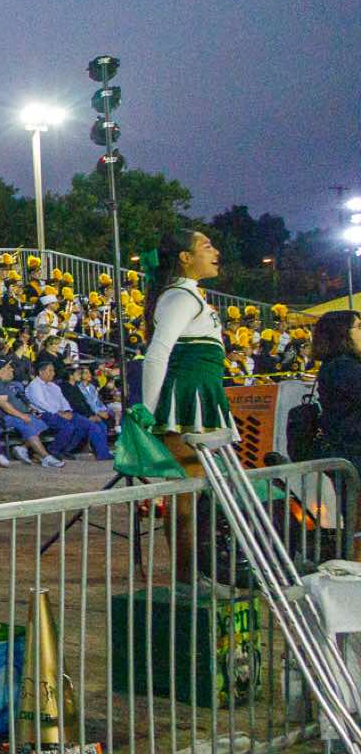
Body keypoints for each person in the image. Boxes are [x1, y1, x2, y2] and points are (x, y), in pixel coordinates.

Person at [139, 227, 234, 581]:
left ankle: (194, 574)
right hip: (185, 402)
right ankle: (188, 579)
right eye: (206, 246)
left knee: (193, 496)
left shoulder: (189, 295)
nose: (215, 252)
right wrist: (149, 413)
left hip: (199, 397)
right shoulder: (180, 296)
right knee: (185, 497)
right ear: (185, 257)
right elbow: (157, 353)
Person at [309, 311, 361, 482]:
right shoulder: (343, 367)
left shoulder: (338, 365)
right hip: (352, 453)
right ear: (341, 333)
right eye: (359, 327)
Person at [26, 359, 109, 460]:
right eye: (50, 370)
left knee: (87, 425)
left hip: (63, 413)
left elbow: (63, 400)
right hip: (45, 414)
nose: (53, 373)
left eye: (53, 371)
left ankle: (67, 450)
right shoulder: (34, 385)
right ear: (41, 372)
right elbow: (42, 404)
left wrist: (67, 411)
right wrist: (60, 413)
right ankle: (54, 450)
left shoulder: (54, 386)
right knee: (68, 427)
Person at [0, 359, 60, 466]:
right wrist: (22, 416)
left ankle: (22, 448)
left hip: (19, 414)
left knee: (41, 424)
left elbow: (21, 400)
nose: (12, 370)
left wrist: (31, 410)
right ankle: (46, 457)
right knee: (29, 427)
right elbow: (4, 405)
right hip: (5, 417)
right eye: (8, 368)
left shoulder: (9, 384)